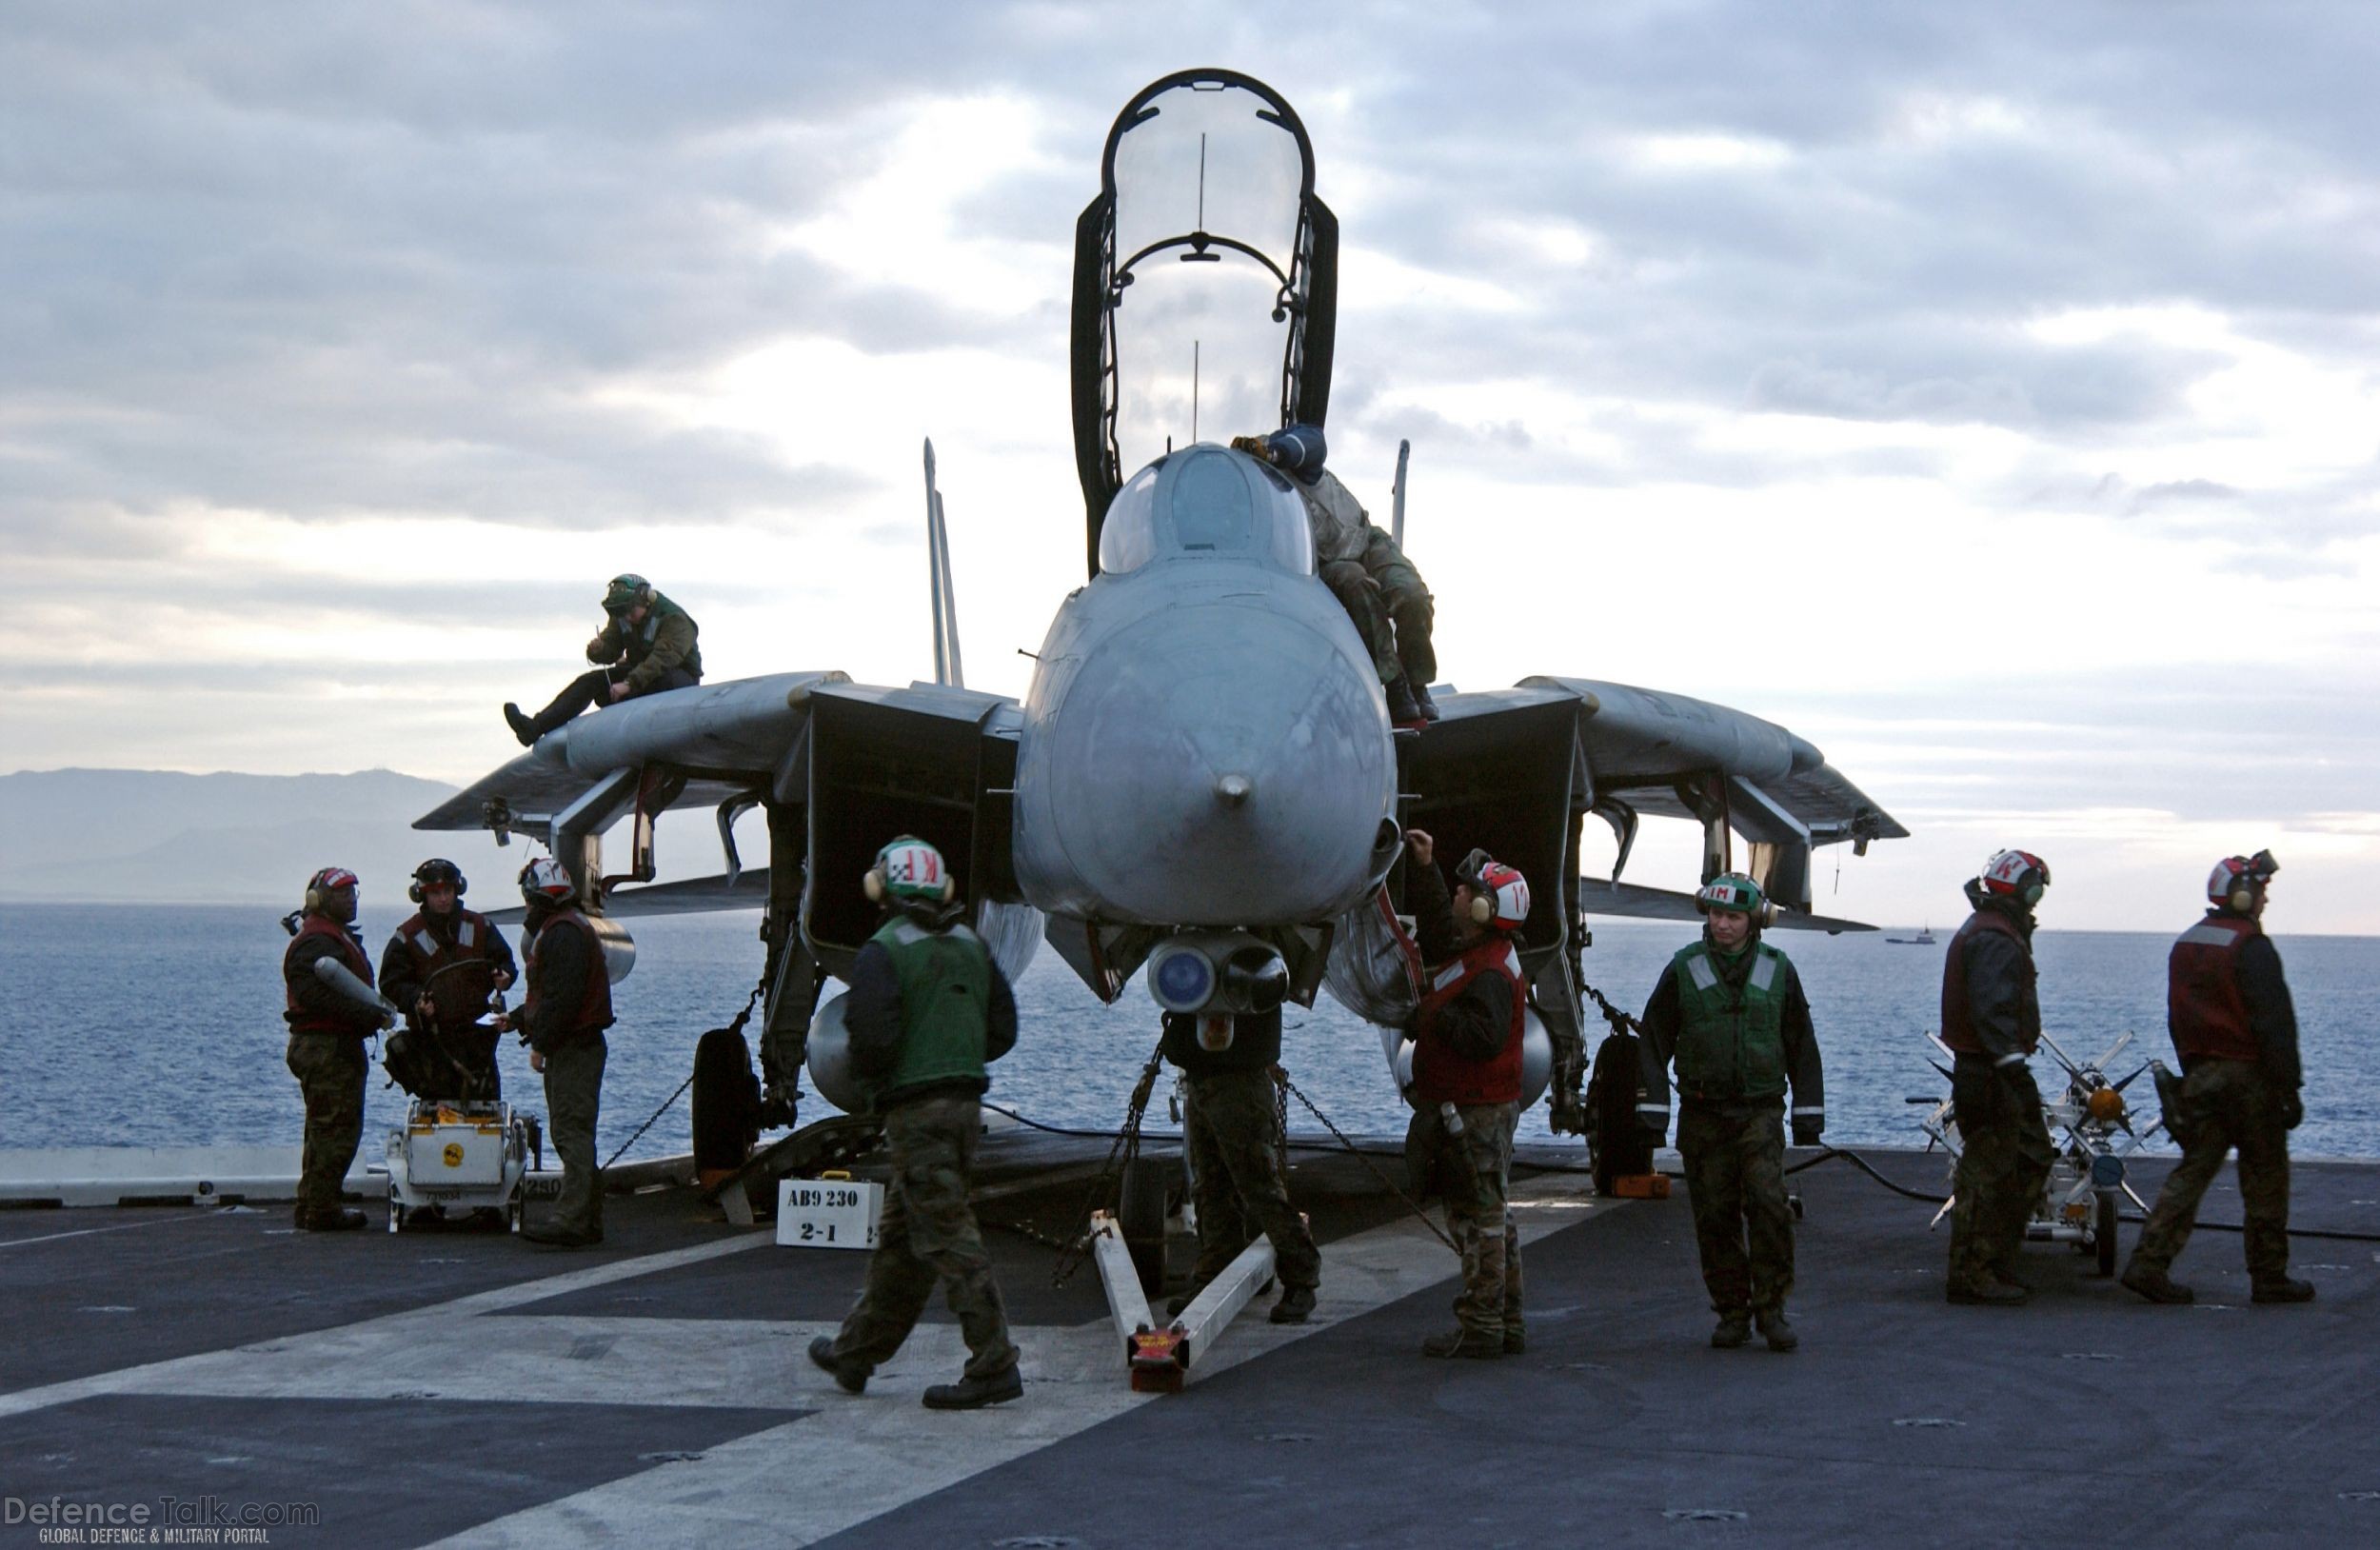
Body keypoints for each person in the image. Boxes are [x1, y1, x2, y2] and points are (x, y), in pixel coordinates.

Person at [809, 837, 1024, 1409]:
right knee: (904, 1241)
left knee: (949, 1236)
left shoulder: (883, 951)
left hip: (915, 1114)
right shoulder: (971, 944)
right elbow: (1003, 1029)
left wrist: (892, 1075)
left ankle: (994, 1361)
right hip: (964, 1108)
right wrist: (952, 1050)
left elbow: (871, 1041)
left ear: (881, 886)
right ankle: (856, 1353)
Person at [1635, 873, 1824, 1352]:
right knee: (1714, 1216)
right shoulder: (1684, 969)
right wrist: (1654, 1110)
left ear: (1753, 921)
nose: (1722, 924)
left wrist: (1808, 1114)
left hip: (1760, 1113)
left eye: (1733, 916)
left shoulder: (1779, 970)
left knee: (1769, 1206)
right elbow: (1653, 1040)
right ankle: (1732, 1313)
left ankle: (1772, 1310)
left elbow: (1801, 1044)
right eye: (1716, 914)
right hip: (1703, 1114)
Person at [2121, 851, 2313, 1306]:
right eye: (2260, 891)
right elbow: (2274, 1023)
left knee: (2192, 1173)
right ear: (2242, 894)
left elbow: (2176, 1018)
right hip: (2250, 1080)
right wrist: (2289, 1089)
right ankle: (2269, 1276)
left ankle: (2148, 1264)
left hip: (2203, 1077)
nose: (2264, 899)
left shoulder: (2188, 943)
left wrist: (2194, 1074)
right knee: (2265, 1175)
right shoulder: (2252, 946)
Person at [1400, 829, 1530, 1359]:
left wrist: (1431, 1013)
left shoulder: (1491, 975)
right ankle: (1508, 1319)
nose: (1457, 894)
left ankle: (1480, 1325)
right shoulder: (1484, 953)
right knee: (1495, 1214)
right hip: (1478, 1106)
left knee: (1478, 1220)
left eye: (1463, 891)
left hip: (1474, 1112)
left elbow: (1482, 1038)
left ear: (1482, 908)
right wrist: (1427, 868)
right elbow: (1439, 930)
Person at [1233, 425, 1438, 727]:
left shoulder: (1286, 454)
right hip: (1329, 561)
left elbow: (1314, 443)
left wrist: (1274, 453)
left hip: (1366, 539)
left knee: (1412, 596)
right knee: (1357, 586)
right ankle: (1394, 685)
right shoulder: (1259, 501)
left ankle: (1418, 683)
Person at [1940, 848, 2056, 1306]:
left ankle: (1993, 1262)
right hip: (1989, 1074)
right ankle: (1975, 1272)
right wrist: (2014, 1069)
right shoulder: (1997, 938)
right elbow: (1994, 1012)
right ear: (2027, 888)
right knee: (1988, 1172)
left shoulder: (1989, 929)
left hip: (1984, 1070)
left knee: (2023, 1159)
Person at [1160, 1005, 1322, 1323]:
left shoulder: (1252, 964)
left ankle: (1301, 1278)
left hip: (1239, 1083)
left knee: (1258, 1186)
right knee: (1210, 1184)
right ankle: (1215, 1272)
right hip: (1203, 1078)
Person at [508, 856, 614, 1247]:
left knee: (571, 1130)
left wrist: (539, 1044)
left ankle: (572, 1219)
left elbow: (562, 999)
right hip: (578, 1044)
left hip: (574, 1047)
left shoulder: (561, 934)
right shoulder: (569, 927)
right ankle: (586, 1217)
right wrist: (520, 1019)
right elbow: (556, 995)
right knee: (575, 1130)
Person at [280, 866, 389, 1231]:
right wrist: (367, 1015)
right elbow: (315, 995)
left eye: (353, 893)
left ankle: (313, 1203)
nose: (351, 900)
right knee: (335, 1129)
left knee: (324, 1128)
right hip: (327, 1047)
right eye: (343, 894)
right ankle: (322, 1208)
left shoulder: (327, 938)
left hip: (330, 1045)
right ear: (319, 901)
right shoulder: (316, 944)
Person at [504, 573, 703, 746]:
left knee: (664, 679)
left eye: (630, 611)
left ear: (646, 600)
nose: (626, 617)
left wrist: (629, 684)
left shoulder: (673, 618)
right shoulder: (623, 617)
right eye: (620, 612)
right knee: (590, 682)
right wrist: (599, 650)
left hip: (676, 680)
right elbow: (612, 648)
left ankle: (627, 713)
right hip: (639, 675)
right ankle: (535, 727)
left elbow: (664, 658)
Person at [378, 858, 516, 1103]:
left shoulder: (480, 926)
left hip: (479, 1046)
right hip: (432, 1046)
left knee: (486, 1120)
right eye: (436, 893)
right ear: (422, 895)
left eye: (448, 891)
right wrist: (415, 999)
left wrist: (505, 976)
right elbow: (391, 983)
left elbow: (505, 963)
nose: (443, 898)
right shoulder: (407, 936)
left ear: (457, 890)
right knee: (437, 1122)